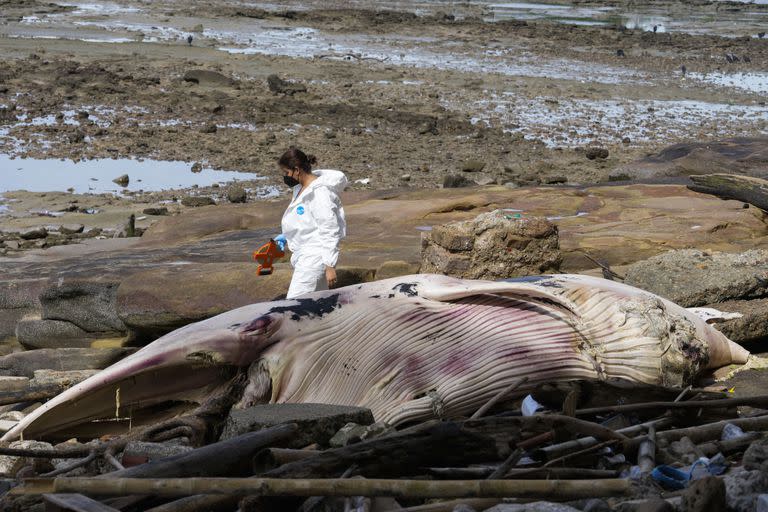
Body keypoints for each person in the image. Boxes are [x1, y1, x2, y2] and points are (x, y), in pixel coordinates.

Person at [273, 148, 347, 299]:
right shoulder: (301, 188)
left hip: (315, 258)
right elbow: (305, 220)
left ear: (297, 170)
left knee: (293, 305)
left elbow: (329, 228)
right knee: (318, 306)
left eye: (287, 172)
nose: (285, 177)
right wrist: (286, 236)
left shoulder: (320, 193)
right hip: (306, 256)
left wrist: (330, 265)